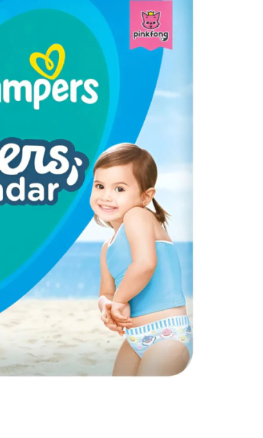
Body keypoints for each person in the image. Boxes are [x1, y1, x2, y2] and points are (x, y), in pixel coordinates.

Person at [91, 143, 192, 376]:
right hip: (136, 337)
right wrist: (107, 307)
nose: (106, 196)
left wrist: (120, 300)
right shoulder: (107, 248)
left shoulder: (137, 215)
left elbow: (145, 264)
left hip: (168, 335)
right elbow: (106, 292)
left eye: (119, 189)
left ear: (146, 196)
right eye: (100, 186)